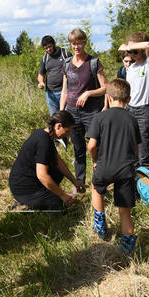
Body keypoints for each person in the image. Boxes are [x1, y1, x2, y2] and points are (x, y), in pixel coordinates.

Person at [87, 79, 141, 254]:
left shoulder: (99, 117)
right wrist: (132, 162)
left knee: (96, 189)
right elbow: (137, 147)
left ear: (108, 98)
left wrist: (96, 161)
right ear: (129, 99)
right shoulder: (132, 120)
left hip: (104, 167)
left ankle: (100, 225)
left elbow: (91, 146)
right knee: (125, 211)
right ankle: (127, 246)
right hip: (125, 169)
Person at [59, 27, 107, 186]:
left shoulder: (93, 62)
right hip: (72, 113)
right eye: (73, 44)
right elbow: (65, 90)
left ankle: (99, 182)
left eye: (79, 43)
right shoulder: (67, 64)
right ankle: (80, 184)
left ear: (85, 42)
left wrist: (89, 93)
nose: (76, 47)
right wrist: (61, 112)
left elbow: (105, 88)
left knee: (95, 147)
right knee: (78, 149)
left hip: (91, 112)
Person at [8, 110, 83, 210]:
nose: (68, 135)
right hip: (23, 187)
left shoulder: (45, 134)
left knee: (58, 172)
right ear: (58, 126)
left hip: (30, 181)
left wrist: (74, 181)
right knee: (59, 205)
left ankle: (44, 195)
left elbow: (58, 161)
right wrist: (63, 195)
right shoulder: (43, 141)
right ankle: (24, 201)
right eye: (67, 131)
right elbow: (42, 175)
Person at [123, 32, 149, 170]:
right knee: (131, 151)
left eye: (135, 51)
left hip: (145, 111)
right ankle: (135, 179)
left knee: (143, 153)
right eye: (130, 52)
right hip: (130, 109)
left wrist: (131, 46)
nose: (132, 54)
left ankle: (148, 180)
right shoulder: (131, 68)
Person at [37, 35, 71, 115]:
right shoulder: (45, 58)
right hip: (51, 94)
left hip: (65, 92)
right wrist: (41, 82)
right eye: (46, 48)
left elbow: (73, 70)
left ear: (54, 44)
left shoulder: (65, 53)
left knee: (66, 116)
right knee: (54, 117)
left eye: (49, 46)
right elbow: (41, 74)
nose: (48, 49)